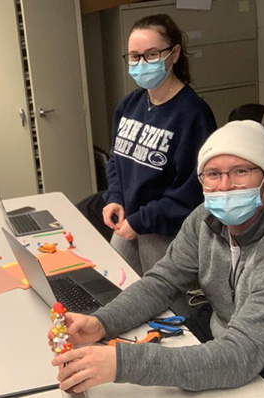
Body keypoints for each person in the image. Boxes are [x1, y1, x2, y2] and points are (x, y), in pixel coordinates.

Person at [52, 121, 264, 398]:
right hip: (224, 341)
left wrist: (122, 363)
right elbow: (162, 282)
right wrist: (101, 322)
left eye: (241, 171)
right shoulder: (204, 218)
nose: (225, 186)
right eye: (213, 174)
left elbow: (241, 356)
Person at [84, 14, 217, 275]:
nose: (141, 63)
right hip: (128, 222)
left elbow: (192, 190)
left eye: (152, 54)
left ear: (174, 53)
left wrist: (142, 220)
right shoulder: (129, 105)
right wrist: (115, 198)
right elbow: (116, 163)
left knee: (166, 309)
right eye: (134, 56)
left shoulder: (193, 114)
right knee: (117, 291)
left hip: (165, 231)